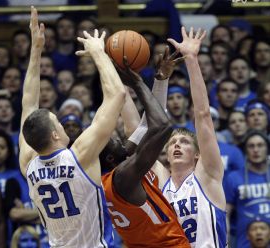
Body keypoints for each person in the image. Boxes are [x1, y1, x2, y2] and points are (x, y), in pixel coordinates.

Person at [19, 7, 125, 247]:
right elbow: (117, 94)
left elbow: (27, 104)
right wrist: (99, 53)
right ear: (55, 133)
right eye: (57, 119)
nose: (62, 119)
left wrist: (36, 52)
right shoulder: (80, 157)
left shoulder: (28, 164)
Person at [101, 49, 190, 246]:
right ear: (109, 158)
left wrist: (161, 80)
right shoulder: (123, 177)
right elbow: (162, 126)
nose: (119, 139)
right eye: (113, 140)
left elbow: (146, 126)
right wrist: (137, 82)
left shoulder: (117, 170)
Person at [163, 27, 227, 247]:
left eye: (184, 142)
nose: (177, 145)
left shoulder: (208, 176)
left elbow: (202, 115)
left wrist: (191, 59)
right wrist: (161, 80)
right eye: (172, 143)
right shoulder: (162, 185)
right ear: (166, 154)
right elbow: (138, 129)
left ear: (198, 154)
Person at [225, 130, 270, 248]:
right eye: (251, 146)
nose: (256, 150)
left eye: (260, 145)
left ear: (267, 149)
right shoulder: (233, 178)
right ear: (245, 151)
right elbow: (225, 215)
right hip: (244, 243)